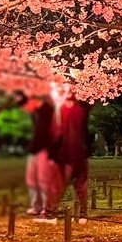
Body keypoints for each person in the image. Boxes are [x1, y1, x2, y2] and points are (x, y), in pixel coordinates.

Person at [49, 86, 93, 219]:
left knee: (59, 184)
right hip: (80, 153)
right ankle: (83, 214)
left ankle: (51, 213)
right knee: (81, 185)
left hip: (66, 154)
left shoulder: (62, 112)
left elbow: (56, 133)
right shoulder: (82, 111)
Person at [25, 93, 56, 218]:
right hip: (35, 149)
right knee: (31, 179)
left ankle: (46, 208)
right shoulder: (36, 113)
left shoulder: (47, 112)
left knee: (44, 180)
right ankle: (36, 205)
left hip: (45, 150)